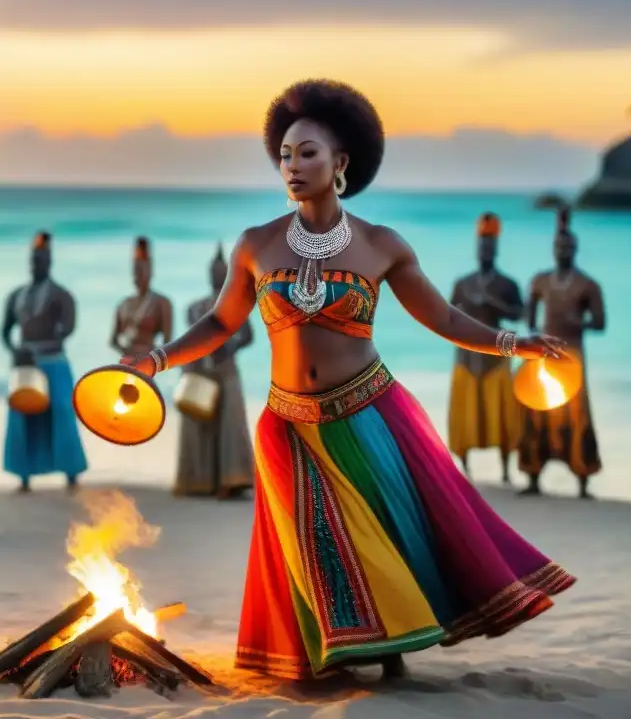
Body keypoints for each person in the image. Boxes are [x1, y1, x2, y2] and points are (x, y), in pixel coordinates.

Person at [116, 79, 574, 681]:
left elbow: (442, 318)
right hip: (286, 423)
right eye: (284, 154)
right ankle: (338, 649)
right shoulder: (256, 246)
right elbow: (220, 322)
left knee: (377, 535)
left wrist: (516, 344)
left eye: (307, 152)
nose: (293, 165)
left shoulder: (382, 246)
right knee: (314, 545)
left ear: (341, 164)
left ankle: (392, 655)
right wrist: (155, 361)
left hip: (368, 414)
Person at [518, 207, 605, 499]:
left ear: (575, 249)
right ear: (553, 248)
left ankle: (582, 477)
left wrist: (580, 323)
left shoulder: (588, 284)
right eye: (559, 246)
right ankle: (533, 475)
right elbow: (529, 315)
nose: (563, 250)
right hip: (545, 355)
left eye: (568, 246)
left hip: (573, 356)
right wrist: (533, 334)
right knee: (538, 411)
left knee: (576, 414)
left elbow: (601, 322)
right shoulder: (540, 280)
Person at [1, 231, 88, 492]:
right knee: (22, 412)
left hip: (53, 361)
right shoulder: (16, 295)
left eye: (41, 259)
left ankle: (71, 471)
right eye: (33, 259)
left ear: (49, 262)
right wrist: (15, 350)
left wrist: (45, 344)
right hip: (25, 365)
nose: (35, 264)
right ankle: (23, 474)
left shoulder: (62, 295)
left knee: (62, 410)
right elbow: (5, 330)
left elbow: (68, 328)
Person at [174, 243, 255, 499]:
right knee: (200, 424)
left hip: (226, 369)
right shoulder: (195, 307)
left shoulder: (238, 303)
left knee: (230, 428)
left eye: (220, 271)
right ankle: (200, 480)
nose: (216, 275)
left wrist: (232, 345)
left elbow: (248, 336)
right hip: (202, 369)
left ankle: (232, 480)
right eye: (213, 271)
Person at [448, 213, 523, 482]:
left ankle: (505, 469)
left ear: (496, 250)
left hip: (495, 355)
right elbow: (448, 316)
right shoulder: (463, 283)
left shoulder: (506, 284)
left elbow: (519, 314)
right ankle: (464, 467)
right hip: (467, 355)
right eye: (482, 246)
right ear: (476, 249)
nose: (485, 251)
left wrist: (494, 303)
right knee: (466, 414)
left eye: (490, 247)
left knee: (501, 414)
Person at [110, 237, 172, 358]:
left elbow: (168, 342)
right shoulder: (124, 304)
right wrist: (128, 352)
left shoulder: (161, 303)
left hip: (148, 359)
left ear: (150, 271)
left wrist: (151, 356)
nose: (138, 276)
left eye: (142, 270)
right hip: (128, 361)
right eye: (135, 270)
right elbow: (113, 341)